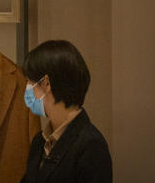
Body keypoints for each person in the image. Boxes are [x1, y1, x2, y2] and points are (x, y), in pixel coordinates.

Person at [21, 40, 112, 182]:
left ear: (46, 83)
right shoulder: (39, 142)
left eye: (30, 81)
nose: (27, 88)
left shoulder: (91, 146)